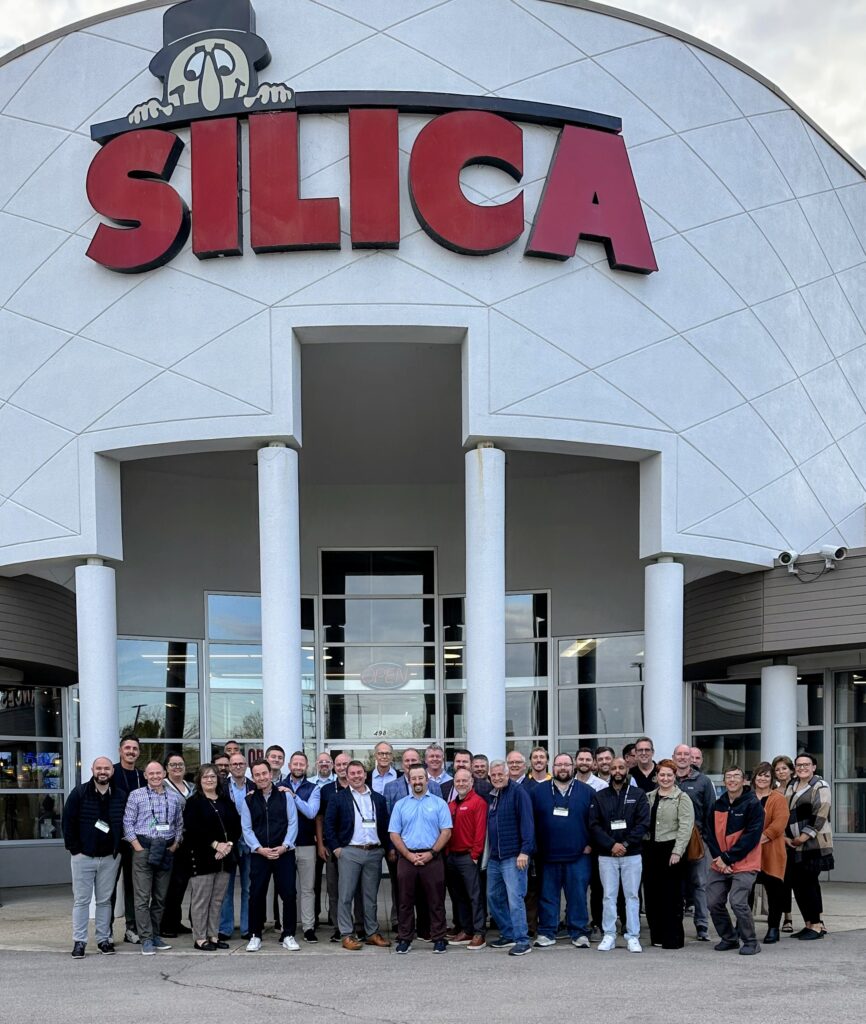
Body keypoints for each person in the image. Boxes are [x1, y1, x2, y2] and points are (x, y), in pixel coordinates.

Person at [61, 756, 125, 958]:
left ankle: (103, 940)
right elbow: (67, 822)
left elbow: (126, 823)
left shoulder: (121, 795)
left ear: (112, 771)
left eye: (106, 768)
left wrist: (119, 849)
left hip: (109, 858)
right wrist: (75, 849)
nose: (103, 771)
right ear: (92, 770)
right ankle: (79, 942)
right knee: (81, 900)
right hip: (83, 856)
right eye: (99, 768)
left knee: (105, 901)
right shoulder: (79, 793)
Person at [324, 759, 391, 950]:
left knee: (370, 897)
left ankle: (371, 933)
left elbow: (385, 826)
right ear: (346, 775)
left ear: (365, 774)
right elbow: (329, 826)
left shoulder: (377, 798)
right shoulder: (338, 798)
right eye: (352, 773)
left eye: (359, 772)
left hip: (373, 852)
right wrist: (337, 849)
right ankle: (346, 934)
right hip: (350, 852)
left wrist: (385, 849)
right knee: (345, 895)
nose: (356, 776)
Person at [530, 753, 593, 949]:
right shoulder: (537, 791)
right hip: (547, 854)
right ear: (552, 767)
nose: (563, 768)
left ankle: (579, 932)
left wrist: (591, 843)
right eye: (559, 765)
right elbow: (530, 822)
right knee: (548, 895)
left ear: (573, 767)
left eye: (567, 764)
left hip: (578, 855)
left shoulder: (587, 791)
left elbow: (595, 821)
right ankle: (547, 931)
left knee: (578, 895)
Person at [122, 760, 185, 955]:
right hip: (144, 848)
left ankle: (155, 935)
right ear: (146, 776)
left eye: (159, 773)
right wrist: (137, 847)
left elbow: (179, 824)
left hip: (166, 849)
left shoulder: (174, 798)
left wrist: (175, 845)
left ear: (164, 773)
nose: (156, 776)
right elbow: (127, 822)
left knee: (160, 897)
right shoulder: (136, 795)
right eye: (152, 773)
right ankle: (146, 939)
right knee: (142, 897)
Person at [389, 765, 452, 954]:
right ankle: (405, 938)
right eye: (413, 778)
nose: (417, 782)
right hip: (407, 857)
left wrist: (431, 853)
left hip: (432, 857)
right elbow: (394, 833)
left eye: (420, 778)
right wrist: (408, 855)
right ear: (409, 781)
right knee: (405, 901)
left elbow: (446, 831)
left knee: (436, 900)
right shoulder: (401, 805)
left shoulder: (439, 803)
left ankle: (439, 937)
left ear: (427, 780)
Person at [589, 756, 649, 952]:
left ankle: (632, 935)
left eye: (621, 767)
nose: (617, 771)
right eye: (613, 767)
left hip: (632, 854)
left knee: (632, 896)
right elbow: (594, 825)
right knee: (608, 896)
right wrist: (611, 845)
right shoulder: (600, 796)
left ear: (626, 770)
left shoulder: (638, 795)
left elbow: (643, 824)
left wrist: (624, 844)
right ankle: (609, 934)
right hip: (607, 855)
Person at [241, 759, 299, 952]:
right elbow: (246, 829)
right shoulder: (248, 799)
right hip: (260, 854)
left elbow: (293, 823)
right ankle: (255, 935)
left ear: (271, 774)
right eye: (257, 775)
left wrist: (285, 846)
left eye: (264, 773)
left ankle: (288, 934)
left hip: (284, 853)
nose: (262, 778)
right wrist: (259, 848)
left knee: (289, 894)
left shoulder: (285, 796)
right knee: (256, 894)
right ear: (253, 777)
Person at [706, 765, 764, 955]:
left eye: (736, 776)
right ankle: (729, 938)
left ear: (744, 780)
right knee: (713, 901)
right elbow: (709, 834)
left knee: (738, 901)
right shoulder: (718, 804)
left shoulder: (753, 804)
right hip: (720, 863)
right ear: (724, 781)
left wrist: (728, 858)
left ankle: (751, 941)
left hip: (745, 862)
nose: (732, 780)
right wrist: (719, 859)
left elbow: (751, 836)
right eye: (728, 777)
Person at [183, 764, 241, 950]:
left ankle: (213, 935)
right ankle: (200, 938)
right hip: (202, 858)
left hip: (225, 858)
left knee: (217, 900)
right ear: (199, 780)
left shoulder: (225, 801)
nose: (210, 780)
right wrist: (216, 844)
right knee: (201, 900)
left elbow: (235, 826)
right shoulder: (194, 802)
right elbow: (193, 829)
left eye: (213, 777)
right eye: (206, 777)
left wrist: (228, 845)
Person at [485, 758, 535, 957]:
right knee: (493, 896)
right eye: (494, 775)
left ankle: (522, 940)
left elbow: (528, 823)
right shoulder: (493, 795)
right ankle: (508, 933)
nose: (497, 778)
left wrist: (525, 851)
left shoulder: (518, 792)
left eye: (501, 774)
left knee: (515, 900)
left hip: (514, 856)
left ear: (508, 774)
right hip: (495, 857)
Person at [643, 759, 694, 949]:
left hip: (671, 850)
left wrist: (677, 851)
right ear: (657, 776)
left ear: (675, 777)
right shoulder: (648, 797)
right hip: (650, 849)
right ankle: (656, 935)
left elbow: (686, 827)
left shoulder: (682, 798)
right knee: (652, 895)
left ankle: (672, 938)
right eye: (662, 775)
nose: (665, 778)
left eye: (669, 775)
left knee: (670, 897)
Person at [785, 753, 833, 940]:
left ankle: (817, 926)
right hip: (793, 844)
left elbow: (819, 814)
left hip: (814, 843)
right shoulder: (792, 785)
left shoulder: (820, 786)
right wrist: (787, 838)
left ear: (814, 767)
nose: (802, 768)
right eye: (798, 765)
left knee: (809, 883)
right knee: (798, 885)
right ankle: (808, 924)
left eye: (806, 764)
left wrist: (803, 837)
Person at [672, 742, 716, 941]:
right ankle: (675, 925)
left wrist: (706, 839)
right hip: (672, 842)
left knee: (699, 883)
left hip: (697, 840)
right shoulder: (666, 779)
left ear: (692, 758)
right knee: (675, 884)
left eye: (686, 754)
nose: (682, 757)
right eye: (679, 754)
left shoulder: (703, 781)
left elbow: (710, 812)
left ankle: (702, 926)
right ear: (674, 757)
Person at [317, 752, 362, 942]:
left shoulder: (360, 787)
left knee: (358, 889)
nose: (342, 768)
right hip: (334, 848)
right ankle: (339, 926)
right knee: (335, 889)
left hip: (357, 848)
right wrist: (321, 843)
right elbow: (319, 818)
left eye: (346, 764)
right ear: (334, 768)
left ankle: (360, 926)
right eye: (339, 764)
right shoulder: (327, 790)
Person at [444, 767, 487, 949]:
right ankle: (466, 929)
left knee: (474, 896)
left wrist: (475, 855)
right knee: (458, 896)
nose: (461, 784)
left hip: (468, 857)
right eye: (458, 781)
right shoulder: (451, 805)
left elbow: (480, 831)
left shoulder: (478, 802)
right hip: (451, 857)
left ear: (471, 782)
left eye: (464, 781)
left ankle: (479, 933)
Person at [283, 751, 322, 943]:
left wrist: (294, 797)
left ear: (307, 767)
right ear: (289, 766)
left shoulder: (314, 788)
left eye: (302, 764)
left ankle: (308, 928)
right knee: (287, 890)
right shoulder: (278, 786)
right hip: (285, 846)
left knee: (308, 889)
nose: (298, 767)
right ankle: (286, 928)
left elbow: (311, 812)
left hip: (306, 844)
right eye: (295, 764)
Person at [111, 733, 145, 944]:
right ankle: (105, 930)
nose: (131, 752)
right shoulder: (111, 773)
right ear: (120, 750)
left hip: (136, 840)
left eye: (135, 748)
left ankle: (132, 928)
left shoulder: (143, 777)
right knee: (109, 886)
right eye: (127, 748)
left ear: (138, 752)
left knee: (135, 887)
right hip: (114, 840)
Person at [750, 761, 789, 944]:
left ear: (772, 779)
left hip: (771, 850)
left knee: (774, 891)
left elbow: (778, 825)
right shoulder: (746, 797)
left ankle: (773, 927)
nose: (763, 778)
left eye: (767, 775)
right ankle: (744, 926)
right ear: (754, 777)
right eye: (760, 774)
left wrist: (756, 840)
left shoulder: (778, 798)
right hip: (747, 854)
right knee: (745, 890)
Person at [219, 750, 255, 940]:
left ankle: (247, 928)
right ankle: (225, 928)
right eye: (234, 764)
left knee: (248, 887)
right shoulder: (221, 786)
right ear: (229, 767)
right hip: (228, 843)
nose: (238, 767)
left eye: (241, 764)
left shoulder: (254, 785)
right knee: (226, 887)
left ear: (246, 766)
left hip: (249, 842)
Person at [161, 752, 194, 938]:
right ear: (166, 768)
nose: (177, 768)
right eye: (173, 765)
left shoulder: (191, 787)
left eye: (180, 764)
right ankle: (165, 924)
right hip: (172, 842)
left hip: (190, 842)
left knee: (182, 885)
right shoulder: (164, 787)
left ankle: (177, 921)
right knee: (171, 885)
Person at [772, 754, 796, 931]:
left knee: (803, 881)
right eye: (777, 769)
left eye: (784, 768)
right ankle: (787, 917)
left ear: (791, 770)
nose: (781, 772)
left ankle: (815, 919)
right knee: (784, 880)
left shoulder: (799, 788)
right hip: (780, 838)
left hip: (798, 838)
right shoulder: (773, 791)